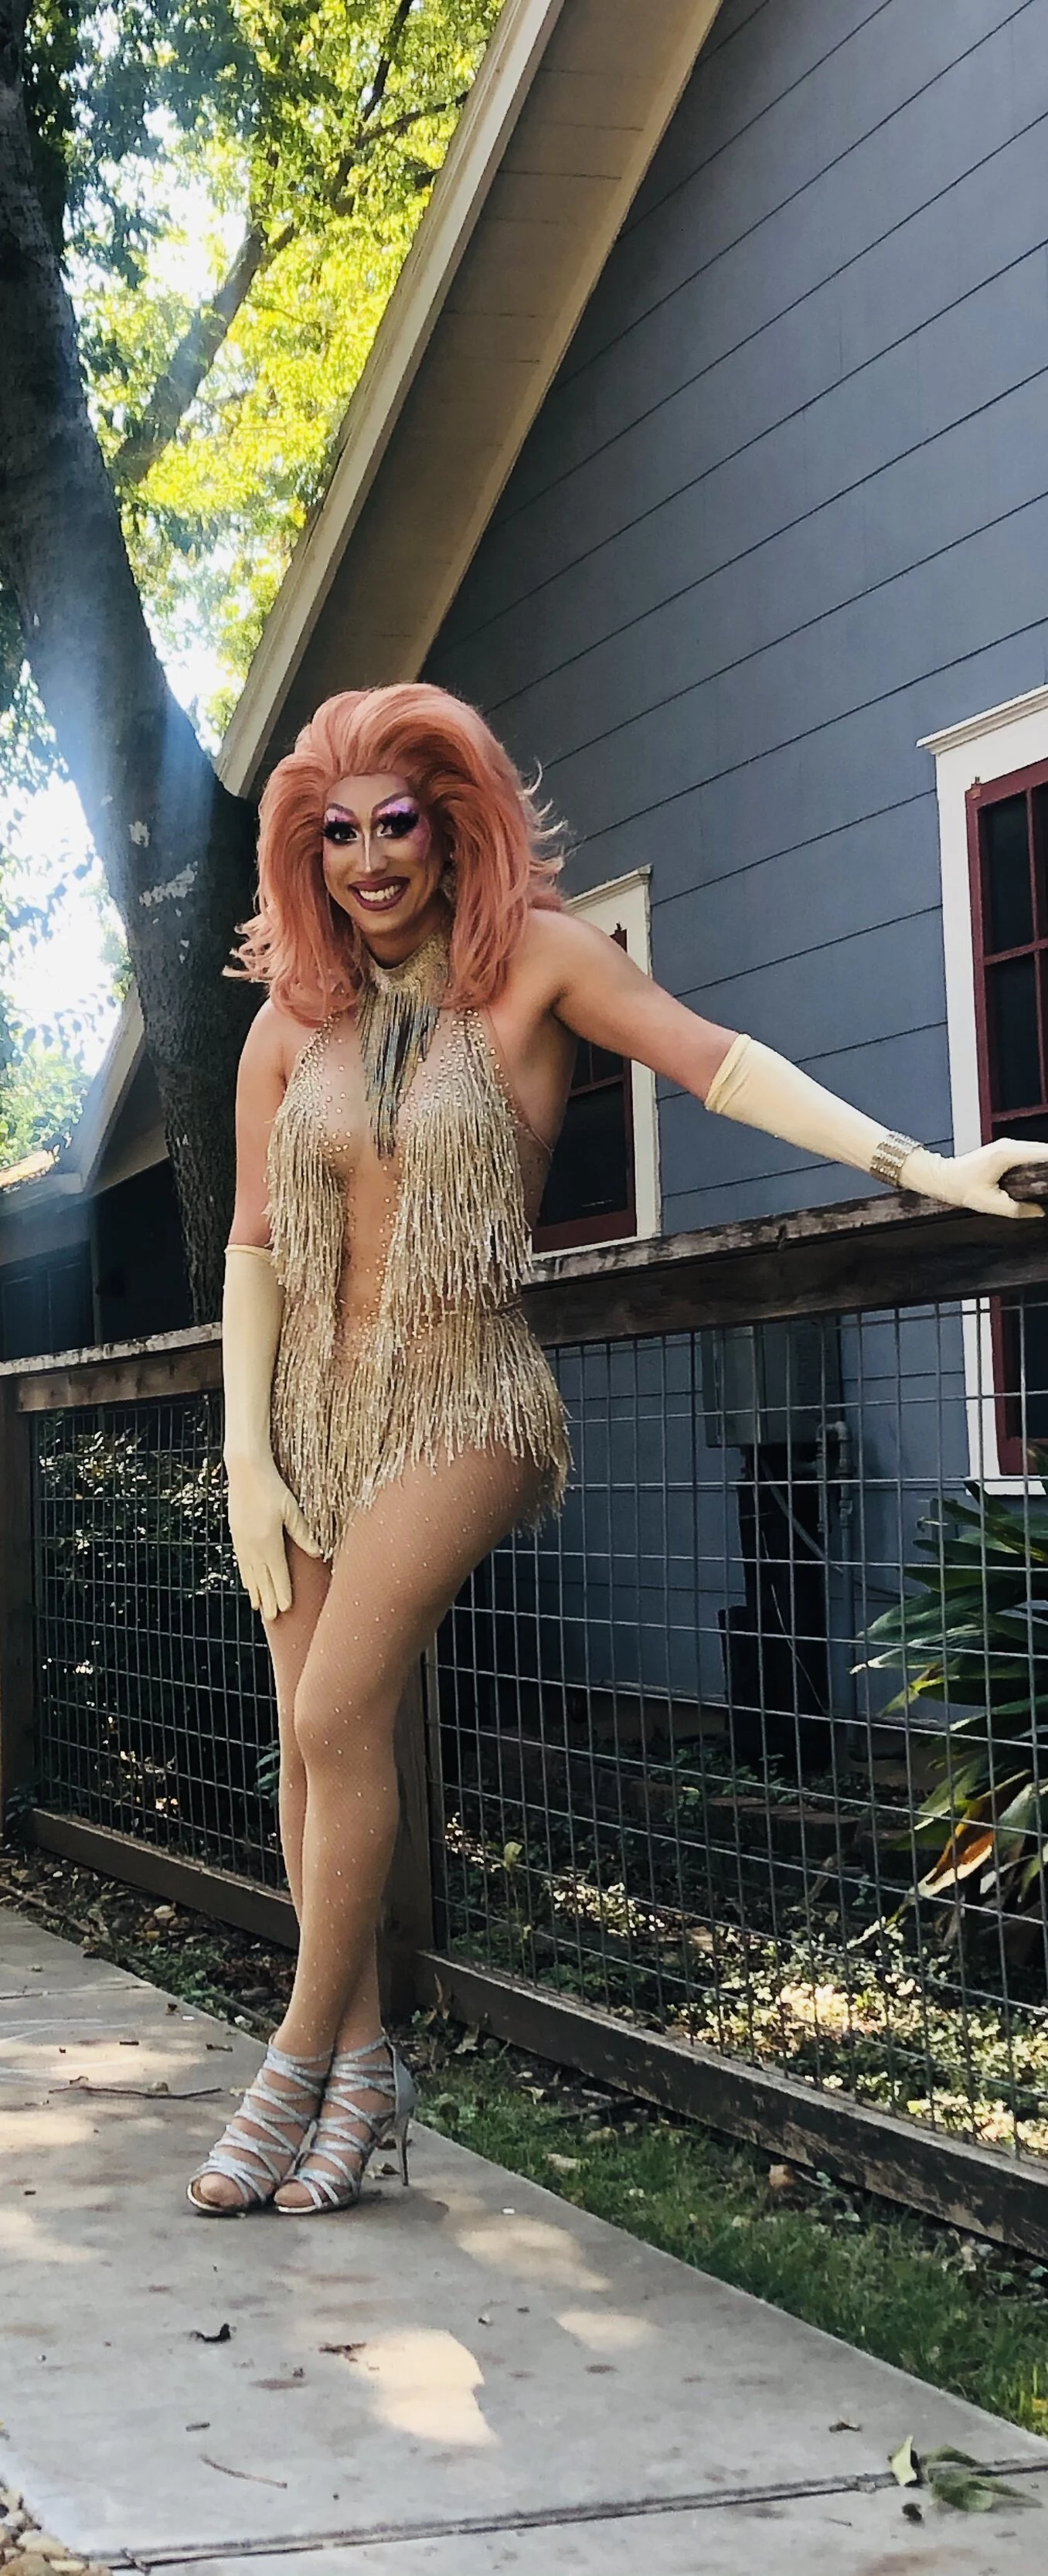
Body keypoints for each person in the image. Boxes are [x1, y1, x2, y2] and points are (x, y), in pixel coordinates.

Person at [191, 682, 1041, 2220]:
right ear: (307, 854)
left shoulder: (534, 963)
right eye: (338, 835)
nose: (369, 860)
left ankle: (292, 2057)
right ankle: (364, 2069)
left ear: (448, 828)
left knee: (330, 1710)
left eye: (397, 824)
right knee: (312, 1744)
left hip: (464, 1397)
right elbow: (251, 1245)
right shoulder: (286, 1024)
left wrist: (924, 1164)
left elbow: (718, 1062)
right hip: (303, 1415)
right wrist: (246, 1455)